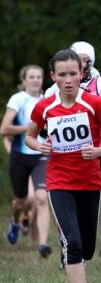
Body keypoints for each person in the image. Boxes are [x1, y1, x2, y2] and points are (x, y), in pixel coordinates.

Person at [25, 49, 101, 283]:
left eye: (73, 74)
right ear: (53, 76)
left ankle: (68, 248)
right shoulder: (44, 106)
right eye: (63, 75)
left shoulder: (94, 103)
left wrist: (99, 152)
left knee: (87, 249)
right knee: (74, 243)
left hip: (90, 182)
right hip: (58, 181)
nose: (68, 80)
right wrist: (40, 145)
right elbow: (30, 138)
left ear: (82, 74)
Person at [1, 65, 51, 256]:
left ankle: (43, 244)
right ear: (24, 80)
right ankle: (15, 220)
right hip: (20, 156)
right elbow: (4, 129)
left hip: (41, 155)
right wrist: (29, 128)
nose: (36, 80)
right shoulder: (18, 99)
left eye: (39, 77)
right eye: (31, 77)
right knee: (21, 202)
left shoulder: (47, 100)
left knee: (40, 197)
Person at [45, 41, 101, 179]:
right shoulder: (54, 89)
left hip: (97, 149)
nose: (83, 63)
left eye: (86, 60)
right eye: (78, 59)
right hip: (65, 153)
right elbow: (44, 121)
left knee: (92, 193)